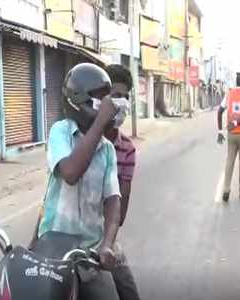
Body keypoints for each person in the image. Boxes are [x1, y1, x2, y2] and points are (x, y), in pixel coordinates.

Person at [37, 63, 125, 300]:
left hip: (89, 252)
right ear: (80, 100)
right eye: (99, 99)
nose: (106, 104)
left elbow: (113, 200)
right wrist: (99, 123)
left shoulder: (107, 150)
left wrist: (107, 244)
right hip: (54, 249)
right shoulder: (60, 132)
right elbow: (70, 172)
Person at [104, 64, 141, 300]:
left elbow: (121, 213)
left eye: (125, 97)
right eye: (115, 96)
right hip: (64, 237)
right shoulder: (73, 137)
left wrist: (107, 242)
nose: (122, 103)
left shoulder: (126, 149)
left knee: (128, 291)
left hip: (103, 238)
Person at [217, 71, 240, 202]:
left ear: (236, 81)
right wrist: (237, 122)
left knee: (230, 161)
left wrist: (220, 131)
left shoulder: (229, 94)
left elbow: (220, 111)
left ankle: (226, 189)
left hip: (231, 135)